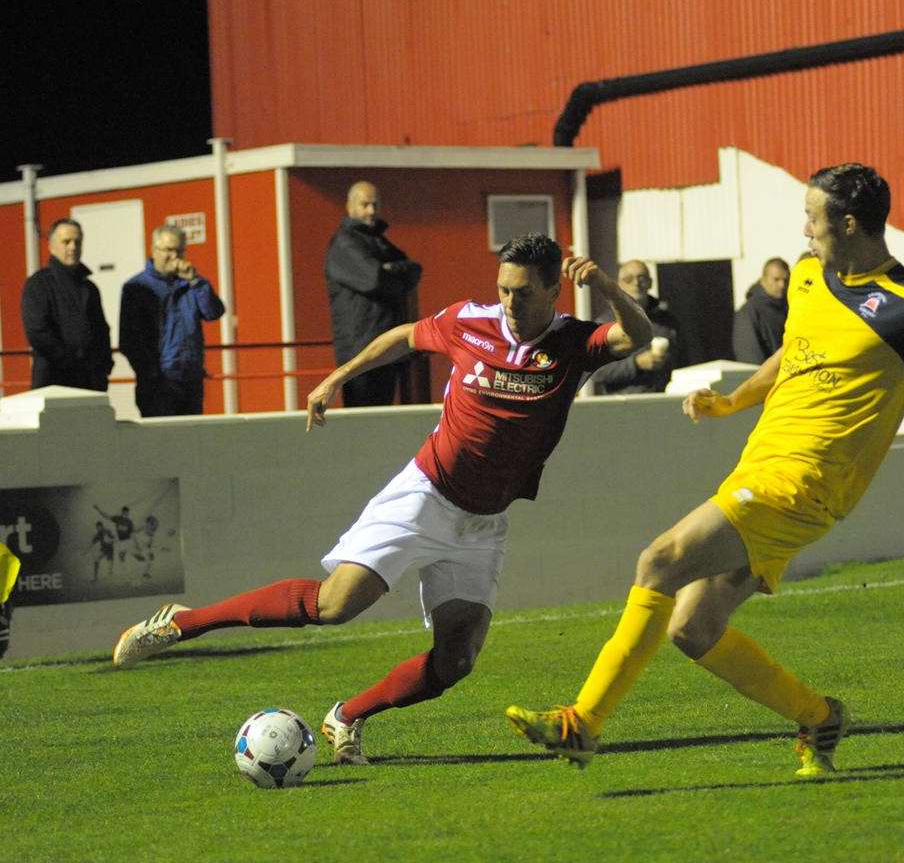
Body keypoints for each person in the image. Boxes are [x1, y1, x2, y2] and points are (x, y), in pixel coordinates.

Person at [506, 163, 904, 778]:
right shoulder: (808, 276)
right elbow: (792, 352)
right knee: (693, 629)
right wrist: (733, 401)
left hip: (807, 486)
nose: (804, 229)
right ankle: (820, 716)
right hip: (760, 469)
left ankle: (582, 723)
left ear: (849, 222)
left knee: (659, 560)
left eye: (812, 216)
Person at [111, 233, 653, 766]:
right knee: (333, 606)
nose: (510, 302)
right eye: (504, 289)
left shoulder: (573, 343)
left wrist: (605, 282)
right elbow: (403, 336)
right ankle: (186, 622)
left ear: (554, 290)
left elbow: (638, 335)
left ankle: (347, 716)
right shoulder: (470, 321)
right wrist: (337, 379)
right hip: (425, 497)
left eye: (523, 293)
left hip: (483, 523)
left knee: (457, 659)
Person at [325, 181, 423, 407]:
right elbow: (375, 280)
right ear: (350, 207)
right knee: (363, 419)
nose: (371, 210)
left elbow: (414, 269)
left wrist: (393, 271)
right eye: (365, 204)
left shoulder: (376, 241)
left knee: (382, 415)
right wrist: (395, 273)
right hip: (360, 351)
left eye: (375, 204)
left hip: (382, 347)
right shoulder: (345, 243)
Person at [119, 225, 225, 416]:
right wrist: (151, 374)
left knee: (192, 440)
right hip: (158, 383)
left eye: (180, 250)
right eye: (169, 250)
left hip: (190, 379)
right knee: (161, 442)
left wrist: (196, 281)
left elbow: (214, 312)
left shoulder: (191, 283)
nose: (175, 257)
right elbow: (129, 340)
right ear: (154, 251)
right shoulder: (137, 287)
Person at [20, 218, 113, 391]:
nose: (73, 247)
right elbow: (37, 331)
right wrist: (71, 362)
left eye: (77, 242)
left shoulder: (90, 288)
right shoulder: (39, 285)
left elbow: (101, 329)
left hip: (91, 381)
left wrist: (104, 364)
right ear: (52, 246)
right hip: (54, 380)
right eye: (66, 241)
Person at [589, 260, 678, 394]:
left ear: (650, 283)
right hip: (623, 406)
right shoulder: (604, 324)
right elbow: (595, 371)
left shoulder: (667, 322)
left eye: (642, 278)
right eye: (628, 279)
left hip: (662, 402)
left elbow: (683, 363)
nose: (636, 283)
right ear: (619, 284)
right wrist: (636, 364)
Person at [731, 257, 789, 364]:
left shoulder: (788, 308)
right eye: (776, 279)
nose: (782, 285)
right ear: (763, 279)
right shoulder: (749, 312)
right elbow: (749, 357)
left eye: (785, 280)